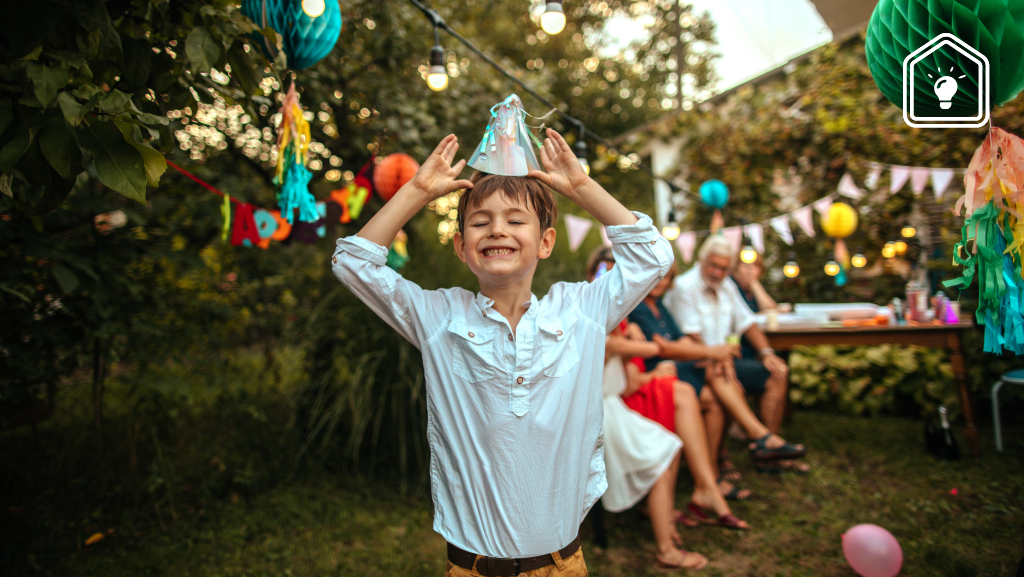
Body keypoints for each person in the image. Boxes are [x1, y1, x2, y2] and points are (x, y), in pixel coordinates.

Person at [332, 103, 673, 576]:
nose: (497, 229)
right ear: (461, 246)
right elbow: (352, 264)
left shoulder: (581, 312)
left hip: (563, 564)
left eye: (516, 220)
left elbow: (653, 258)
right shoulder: (438, 317)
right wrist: (417, 192)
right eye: (480, 222)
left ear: (546, 242)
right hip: (471, 568)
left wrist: (581, 188)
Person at [629, 261, 807, 479]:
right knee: (716, 368)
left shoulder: (659, 306)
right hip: (657, 371)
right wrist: (713, 353)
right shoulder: (639, 306)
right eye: (657, 276)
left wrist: (710, 353)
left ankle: (715, 471)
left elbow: (683, 340)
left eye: (666, 277)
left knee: (716, 391)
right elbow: (663, 347)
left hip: (677, 366)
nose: (661, 282)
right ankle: (757, 437)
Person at [663, 236, 793, 442]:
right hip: (698, 363)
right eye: (713, 265)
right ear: (702, 260)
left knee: (778, 371)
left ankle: (768, 444)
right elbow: (691, 337)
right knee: (722, 376)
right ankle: (757, 439)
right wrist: (723, 362)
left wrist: (767, 353)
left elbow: (748, 323)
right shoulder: (684, 286)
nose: (717, 272)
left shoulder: (727, 286)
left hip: (724, 361)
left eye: (723, 268)